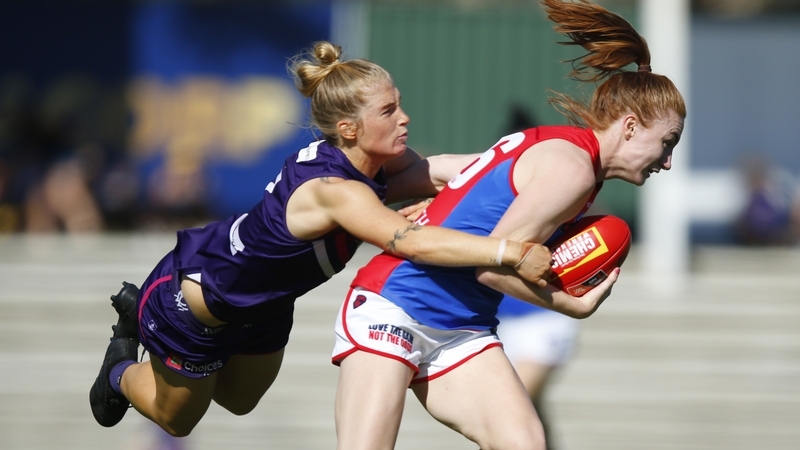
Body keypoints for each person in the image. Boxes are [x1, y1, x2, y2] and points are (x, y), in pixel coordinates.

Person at [88, 41, 555, 437]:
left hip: (264, 307)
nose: (405, 118)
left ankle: (171, 354)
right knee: (178, 420)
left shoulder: (369, 162)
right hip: (195, 302)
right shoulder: (337, 192)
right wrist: (510, 252)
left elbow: (450, 174)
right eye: (389, 111)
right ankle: (120, 365)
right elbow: (410, 242)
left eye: (400, 104)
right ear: (349, 128)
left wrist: (544, 156)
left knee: (240, 401)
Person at [332, 1, 686, 449]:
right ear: (631, 127)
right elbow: (492, 265)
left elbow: (448, 169)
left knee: (524, 444)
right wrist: (568, 305)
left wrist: (426, 200)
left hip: (462, 326)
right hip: (397, 305)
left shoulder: (560, 146)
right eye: (666, 143)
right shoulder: (573, 170)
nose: (668, 161)